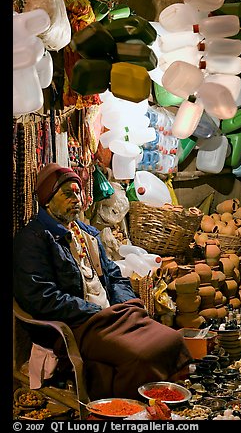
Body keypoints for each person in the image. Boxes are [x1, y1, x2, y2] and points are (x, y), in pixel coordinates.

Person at [13, 163, 192, 400]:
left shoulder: (86, 233)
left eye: (78, 192)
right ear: (47, 200)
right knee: (140, 355)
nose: (76, 198)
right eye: (68, 193)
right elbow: (40, 297)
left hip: (111, 316)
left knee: (171, 339)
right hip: (77, 323)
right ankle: (127, 410)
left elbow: (114, 275)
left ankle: (161, 405)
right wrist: (95, 311)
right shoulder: (32, 239)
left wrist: (125, 304)